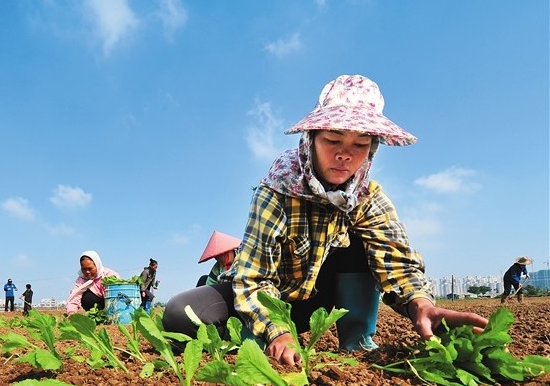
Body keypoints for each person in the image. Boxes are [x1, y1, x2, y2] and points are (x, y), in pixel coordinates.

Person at [162, 74, 489, 366]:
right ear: (311, 140)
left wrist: (420, 305)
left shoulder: (368, 198)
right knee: (179, 314)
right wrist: (276, 330)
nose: (345, 154)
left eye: (360, 145)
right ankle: (248, 339)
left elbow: (396, 262)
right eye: (333, 140)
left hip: (317, 301)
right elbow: (252, 278)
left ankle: (357, 342)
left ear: (371, 150)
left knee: (360, 238)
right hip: (267, 296)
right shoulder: (275, 191)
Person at [66, 250, 119, 315]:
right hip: (98, 306)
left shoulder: (110, 275)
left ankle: (111, 315)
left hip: (113, 305)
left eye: (90, 268)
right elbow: (75, 296)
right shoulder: (81, 279)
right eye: (84, 269)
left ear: (97, 265)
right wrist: (71, 312)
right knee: (86, 296)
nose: (87, 272)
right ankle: (98, 316)